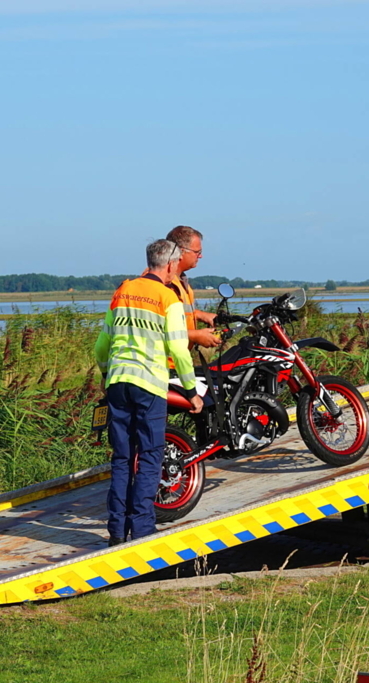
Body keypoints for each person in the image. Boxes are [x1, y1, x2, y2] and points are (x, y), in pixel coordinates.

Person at [94, 239, 204, 546]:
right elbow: (179, 351)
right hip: (149, 386)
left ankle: (116, 530)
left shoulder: (122, 292)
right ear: (170, 265)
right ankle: (141, 530)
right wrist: (192, 391)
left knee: (122, 458)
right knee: (150, 456)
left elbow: (101, 345)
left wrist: (107, 373)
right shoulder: (167, 299)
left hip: (118, 382)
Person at [165, 225, 221, 349]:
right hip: (163, 362)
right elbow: (156, 328)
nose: (200, 256)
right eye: (197, 252)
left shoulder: (180, 281)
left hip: (178, 361)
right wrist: (196, 335)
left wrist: (200, 315)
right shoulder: (162, 282)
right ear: (180, 251)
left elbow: (176, 314)